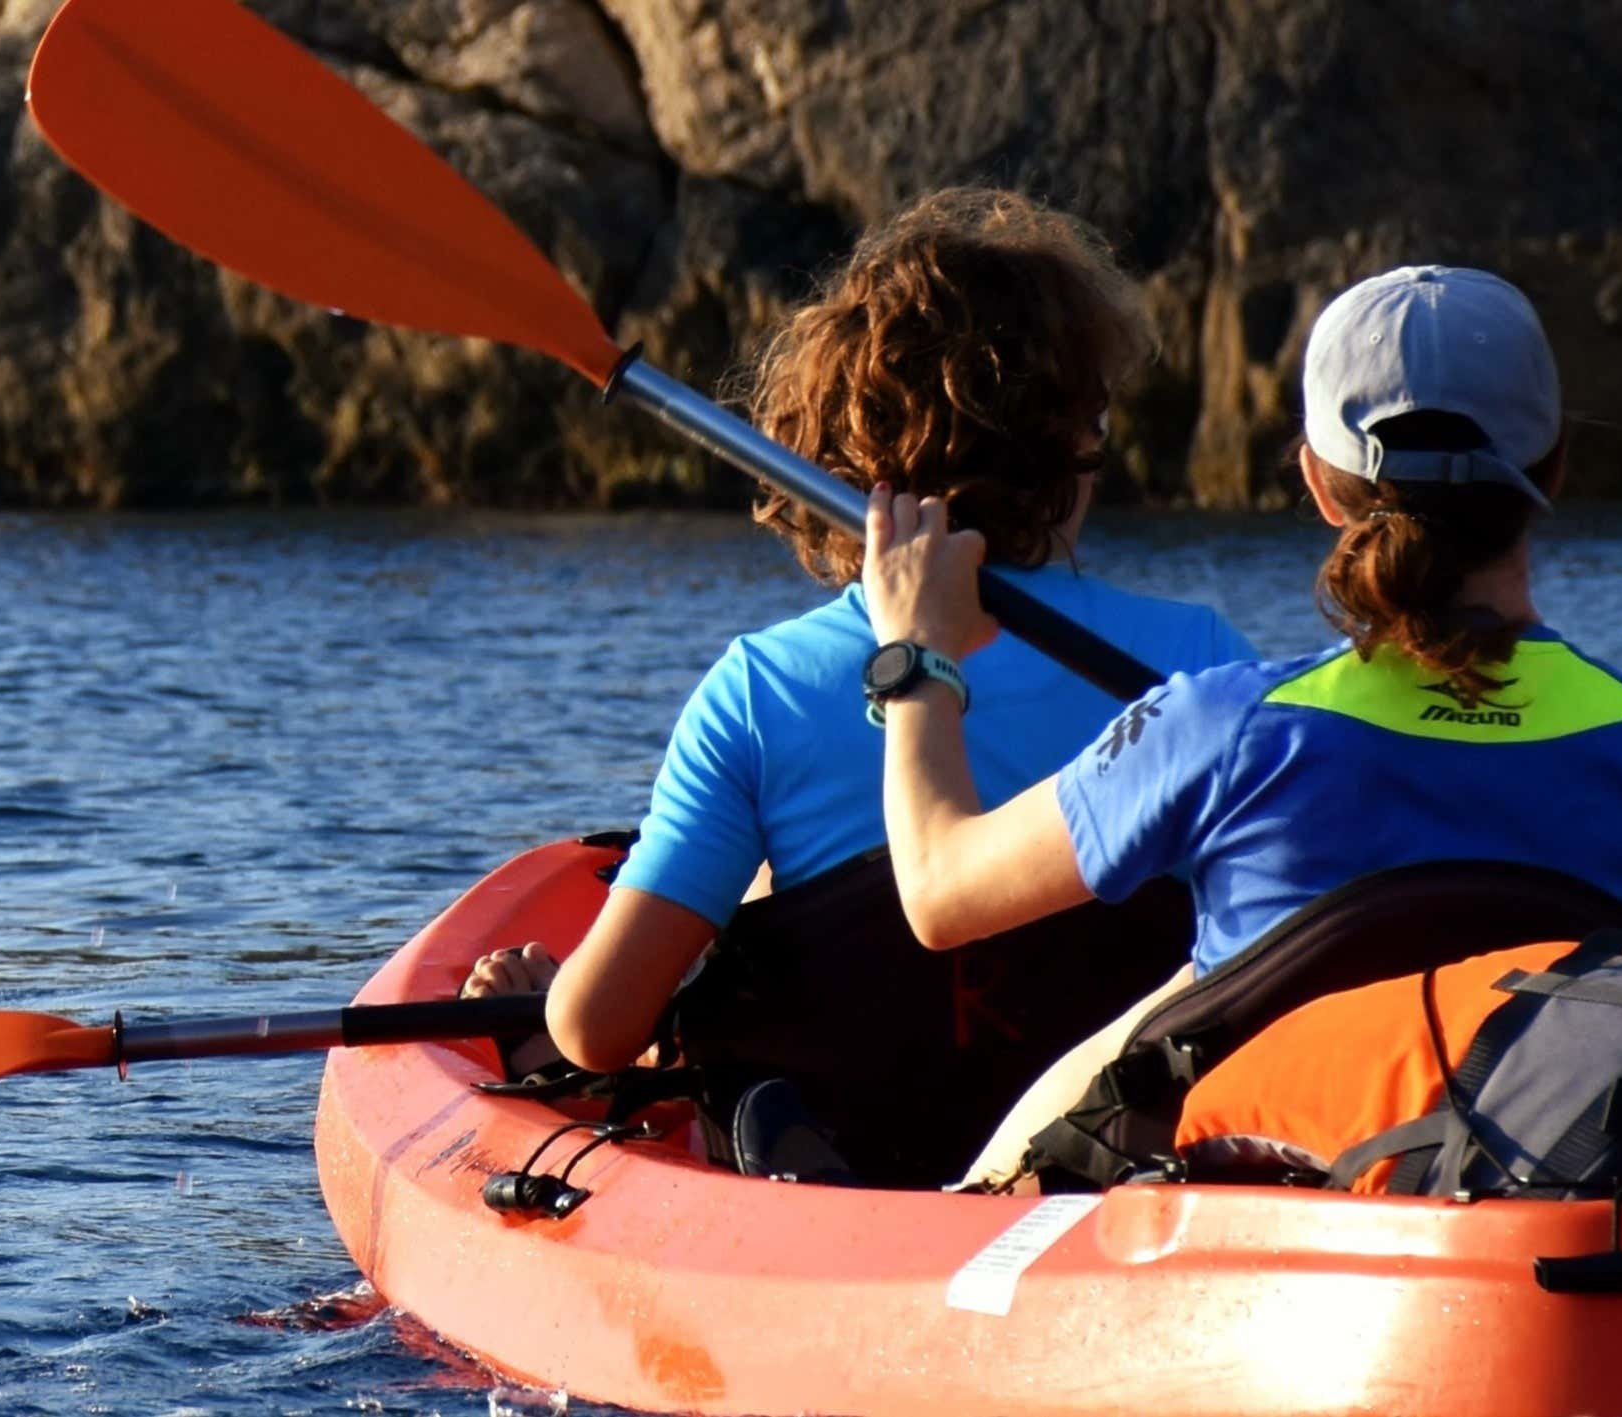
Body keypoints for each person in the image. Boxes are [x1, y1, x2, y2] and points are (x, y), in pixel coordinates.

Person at [853, 265, 1622, 1192]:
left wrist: (915, 656)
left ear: (1316, 482)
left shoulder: (1215, 729)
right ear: (1554, 476)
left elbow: (941, 894)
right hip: (1597, 1240)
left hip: (1291, 1249)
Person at [453, 190, 1256, 1180]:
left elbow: (597, 1025)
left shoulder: (759, 691)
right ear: (1076, 437)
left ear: (830, 454)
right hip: (1102, 1176)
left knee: (720, 927)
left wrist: (553, 1007)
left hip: (853, 1187)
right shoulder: (1201, 657)